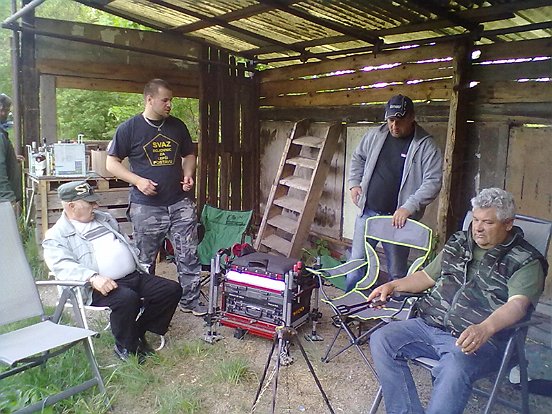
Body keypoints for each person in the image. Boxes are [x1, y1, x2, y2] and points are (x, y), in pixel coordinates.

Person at [367, 188, 547, 414]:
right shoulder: (459, 242)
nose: (478, 228)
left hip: (479, 341)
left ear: (508, 223)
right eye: (476, 220)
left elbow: (518, 305)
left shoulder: (525, 260)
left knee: (454, 365)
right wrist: (393, 286)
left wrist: (485, 328)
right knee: (383, 339)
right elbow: (426, 277)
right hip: (430, 326)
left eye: (488, 222)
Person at [43, 181, 182, 363]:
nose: (96, 206)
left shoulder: (104, 219)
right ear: (71, 206)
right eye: (90, 203)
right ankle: (126, 347)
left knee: (171, 290)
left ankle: (137, 331)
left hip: (132, 276)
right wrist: (92, 277)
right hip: (97, 287)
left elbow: (124, 242)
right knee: (126, 299)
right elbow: (61, 265)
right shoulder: (56, 235)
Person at [106, 79, 205, 316]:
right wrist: (138, 181)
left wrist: (188, 173)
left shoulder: (177, 126)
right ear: (149, 99)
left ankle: (191, 300)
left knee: (188, 253)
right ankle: (145, 303)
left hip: (179, 202)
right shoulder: (129, 128)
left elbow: (189, 155)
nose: (169, 104)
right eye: (165, 100)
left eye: (171, 100)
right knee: (144, 260)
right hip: (146, 207)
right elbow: (111, 163)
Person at [346, 94, 443, 291]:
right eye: (391, 120)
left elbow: (433, 182)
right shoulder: (375, 135)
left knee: (397, 273)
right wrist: (354, 183)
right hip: (368, 212)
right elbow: (358, 157)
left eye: (400, 120)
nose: (394, 126)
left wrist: (409, 207)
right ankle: (348, 306)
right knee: (356, 265)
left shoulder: (426, 145)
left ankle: (394, 309)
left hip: (398, 221)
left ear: (412, 117)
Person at [0, 93, 23, 206]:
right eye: (7, 110)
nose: (6, 114)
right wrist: (6, 196)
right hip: (3, 199)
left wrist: (12, 159)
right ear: (1, 109)